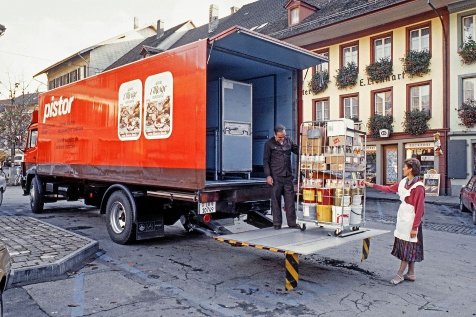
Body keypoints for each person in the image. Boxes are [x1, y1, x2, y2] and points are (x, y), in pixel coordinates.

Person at [365, 158, 425, 285]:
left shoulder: (418, 187)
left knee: (407, 248)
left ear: (410, 169)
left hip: (412, 221)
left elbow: (420, 209)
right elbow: (389, 189)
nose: (402, 169)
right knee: (409, 247)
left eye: (404, 167)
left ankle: (400, 274)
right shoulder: (404, 182)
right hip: (404, 218)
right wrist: (371, 185)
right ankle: (411, 273)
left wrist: (415, 227)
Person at [263, 124, 299, 230]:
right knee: (276, 201)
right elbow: (266, 161)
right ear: (275, 135)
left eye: (283, 136)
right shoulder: (269, 144)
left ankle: (292, 223)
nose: (282, 139)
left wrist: (309, 152)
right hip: (276, 177)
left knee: (290, 202)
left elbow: (298, 150)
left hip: (288, 176)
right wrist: (268, 175)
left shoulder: (288, 141)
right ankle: (277, 224)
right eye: (280, 137)